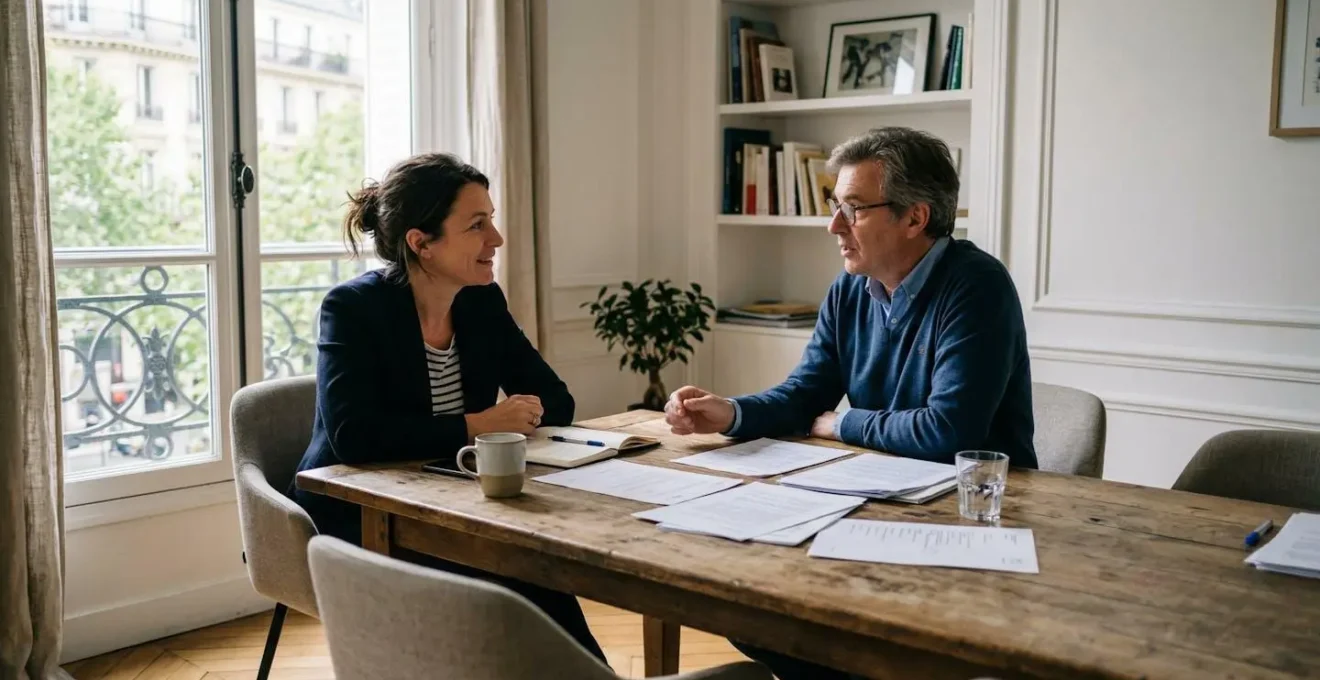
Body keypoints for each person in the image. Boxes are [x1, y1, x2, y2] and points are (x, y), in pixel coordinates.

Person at [663, 127, 1036, 680]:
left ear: (916, 217)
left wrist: (845, 424)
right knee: (752, 612)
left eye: (854, 209)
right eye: (836, 206)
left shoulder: (977, 287)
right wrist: (732, 412)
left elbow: (947, 433)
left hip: (973, 531)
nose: (833, 225)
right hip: (876, 507)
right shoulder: (850, 289)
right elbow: (803, 394)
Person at [288, 152, 607, 663]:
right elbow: (355, 437)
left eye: (493, 221)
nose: (496, 239)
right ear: (422, 244)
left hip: (459, 505)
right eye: (477, 225)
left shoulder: (482, 302)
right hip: (359, 512)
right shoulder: (353, 310)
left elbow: (558, 401)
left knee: (534, 574)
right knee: (518, 578)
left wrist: (521, 414)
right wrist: (478, 425)